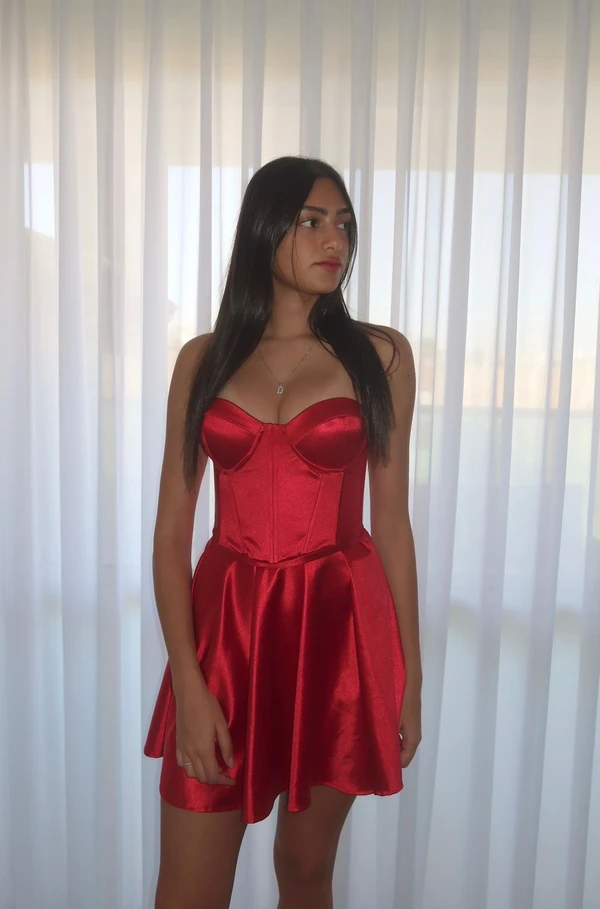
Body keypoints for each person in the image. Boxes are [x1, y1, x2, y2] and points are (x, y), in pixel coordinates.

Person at [144, 156, 422, 909]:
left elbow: (392, 528)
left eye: (344, 225)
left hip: (337, 638)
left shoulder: (381, 356)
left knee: (305, 870)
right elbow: (170, 537)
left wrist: (410, 678)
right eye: (311, 221)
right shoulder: (203, 360)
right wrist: (189, 684)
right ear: (265, 230)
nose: (335, 241)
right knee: (187, 893)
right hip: (226, 639)